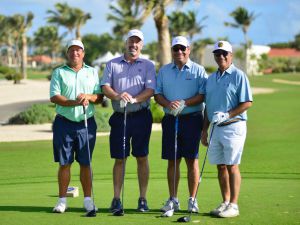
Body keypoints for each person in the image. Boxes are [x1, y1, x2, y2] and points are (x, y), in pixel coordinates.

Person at [101, 29, 156, 214]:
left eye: (137, 42)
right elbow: (105, 87)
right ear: (126, 43)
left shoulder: (148, 65)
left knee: (142, 157)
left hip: (141, 116)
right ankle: (116, 199)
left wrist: (135, 99)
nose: (133, 45)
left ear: (142, 45)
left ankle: (143, 199)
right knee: (120, 158)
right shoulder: (112, 64)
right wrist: (118, 95)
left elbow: (150, 89)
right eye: (131, 41)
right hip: (119, 117)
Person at [155, 36, 207, 213]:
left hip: (192, 119)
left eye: (182, 48)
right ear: (172, 51)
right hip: (170, 120)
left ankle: (192, 199)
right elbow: (158, 94)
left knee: (192, 161)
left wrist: (185, 102)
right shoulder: (164, 71)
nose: (179, 52)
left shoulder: (199, 70)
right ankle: (173, 199)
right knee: (172, 161)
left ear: (188, 49)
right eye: (176, 49)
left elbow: (202, 95)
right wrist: (168, 104)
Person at [201, 40, 253, 218]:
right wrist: (204, 129)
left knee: (232, 166)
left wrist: (228, 114)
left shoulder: (239, 76)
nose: (221, 56)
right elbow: (208, 106)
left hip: (234, 126)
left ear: (231, 55)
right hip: (215, 127)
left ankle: (234, 205)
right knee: (220, 166)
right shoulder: (211, 79)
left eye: (224, 53)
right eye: (217, 54)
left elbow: (247, 102)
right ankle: (225, 201)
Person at [50, 39, 103, 213]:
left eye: (78, 50)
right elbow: (55, 97)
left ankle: (88, 200)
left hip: (86, 124)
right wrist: (75, 102)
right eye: (72, 50)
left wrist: (88, 97)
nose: (75, 53)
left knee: (85, 163)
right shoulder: (59, 72)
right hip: (64, 123)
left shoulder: (92, 72)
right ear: (67, 53)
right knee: (65, 163)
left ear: (83, 53)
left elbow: (99, 97)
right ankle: (62, 200)